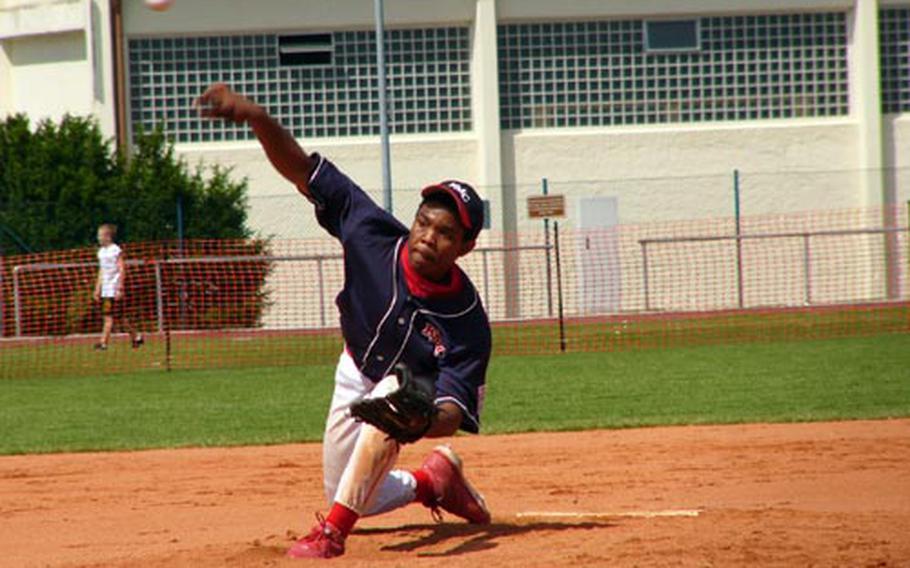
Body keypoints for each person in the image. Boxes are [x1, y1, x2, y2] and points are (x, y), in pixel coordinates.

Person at [197, 83, 493, 559]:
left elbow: (454, 410)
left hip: (400, 390)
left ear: (465, 247)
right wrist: (257, 117)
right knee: (352, 489)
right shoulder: (370, 232)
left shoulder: (468, 322)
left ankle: (331, 534)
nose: (428, 237)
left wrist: (421, 421)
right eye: (424, 222)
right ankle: (433, 481)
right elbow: (301, 169)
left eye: (446, 232)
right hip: (353, 369)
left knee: (396, 398)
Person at [93, 224, 143, 351]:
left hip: (114, 289)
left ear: (108, 237)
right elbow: (102, 271)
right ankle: (136, 337)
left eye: (100, 235)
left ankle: (103, 343)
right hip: (106, 290)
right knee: (117, 318)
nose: (98, 238)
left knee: (111, 317)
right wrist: (97, 288)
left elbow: (121, 268)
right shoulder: (101, 252)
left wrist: (120, 286)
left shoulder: (115, 250)